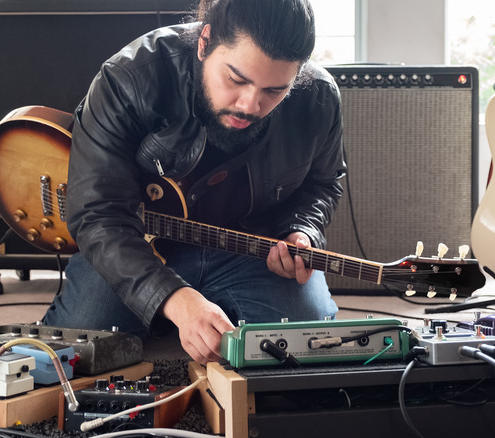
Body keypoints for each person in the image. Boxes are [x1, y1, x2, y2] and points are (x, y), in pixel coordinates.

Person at [43, 0, 345, 364]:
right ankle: (179, 313)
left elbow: (323, 184)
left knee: (307, 342)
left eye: (274, 91)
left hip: (247, 250)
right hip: (136, 246)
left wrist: (303, 230)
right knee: (75, 345)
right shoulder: (128, 78)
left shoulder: (319, 97)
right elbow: (98, 213)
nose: (250, 105)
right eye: (236, 79)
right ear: (205, 42)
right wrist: (175, 299)